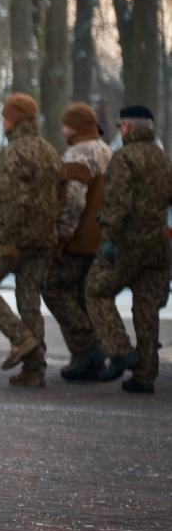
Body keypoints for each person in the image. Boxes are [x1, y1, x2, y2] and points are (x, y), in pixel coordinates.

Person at [0, 93, 63, 387]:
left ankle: (21, 337)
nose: (4, 123)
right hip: (44, 239)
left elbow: (10, 200)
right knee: (29, 301)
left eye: (6, 117)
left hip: (15, 238)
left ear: (13, 120)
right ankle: (34, 370)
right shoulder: (49, 151)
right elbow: (59, 195)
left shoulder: (14, 153)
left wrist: (6, 238)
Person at [87, 105, 172, 394]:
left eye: (122, 126)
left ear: (131, 128)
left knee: (96, 290)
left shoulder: (124, 159)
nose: (120, 131)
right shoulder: (164, 159)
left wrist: (109, 237)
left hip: (128, 243)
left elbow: (118, 204)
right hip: (158, 245)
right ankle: (145, 375)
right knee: (146, 308)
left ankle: (121, 350)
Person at [41, 103, 113, 381]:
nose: (62, 129)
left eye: (66, 124)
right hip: (101, 239)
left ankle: (88, 346)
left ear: (76, 126)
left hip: (79, 240)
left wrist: (61, 237)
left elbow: (73, 200)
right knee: (83, 296)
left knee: (54, 289)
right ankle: (87, 360)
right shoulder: (107, 151)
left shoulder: (78, 154)